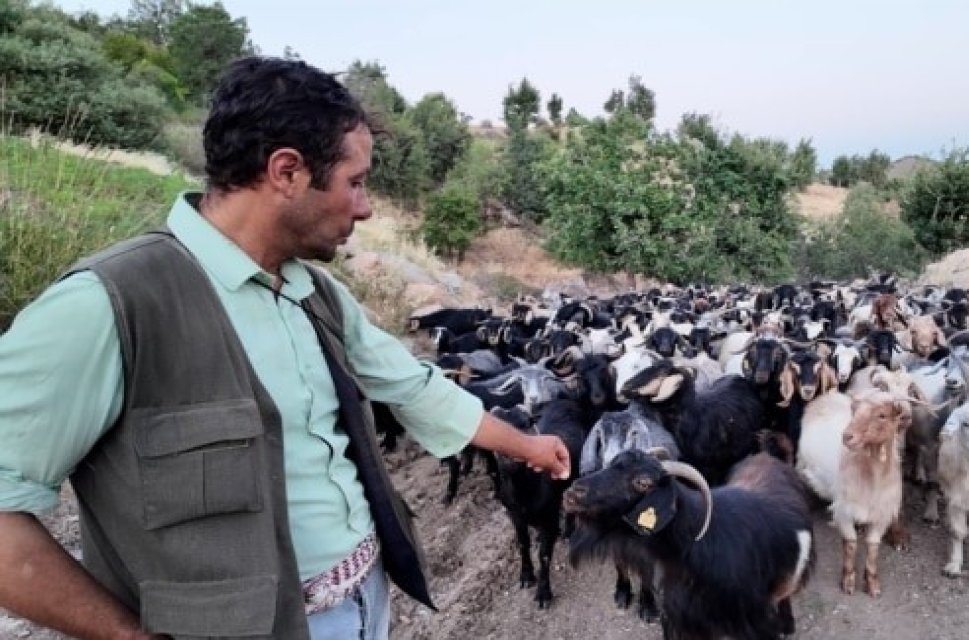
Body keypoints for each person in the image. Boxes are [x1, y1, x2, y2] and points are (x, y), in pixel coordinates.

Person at [0, 56, 571, 640]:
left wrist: (527, 445)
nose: (366, 206)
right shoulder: (108, 304)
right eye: (356, 182)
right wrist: (128, 636)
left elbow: (412, 385)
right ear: (287, 172)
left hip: (365, 604)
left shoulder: (315, 292)